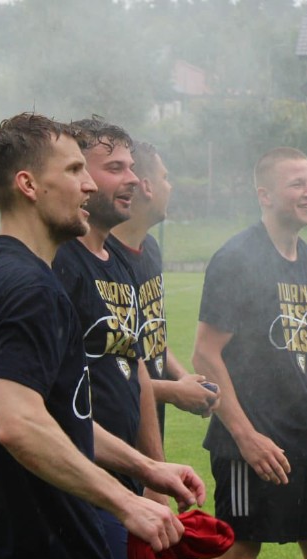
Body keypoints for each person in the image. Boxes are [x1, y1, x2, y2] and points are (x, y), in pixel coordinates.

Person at [0, 112, 205, 559]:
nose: (89, 185)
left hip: (3, 538)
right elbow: (20, 425)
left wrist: (147, 468)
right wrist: (125, 501)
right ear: (28, 185)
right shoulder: (30, 288)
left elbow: (65, 420)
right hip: (35, 549)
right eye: (74, 170)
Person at [193, 147, 307, 559]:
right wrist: (246, 437)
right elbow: (205, 353)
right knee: (238, 556)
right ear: (264, 195)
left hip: (306, 438)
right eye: (297, 184)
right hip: (249, 442)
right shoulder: (237, 258)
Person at [51, 117, 167, 559]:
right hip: (79, 488)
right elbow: (43, 408)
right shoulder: (59, 264)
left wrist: (153, 474)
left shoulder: (119, 261)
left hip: (125, 480)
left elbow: (136, 368)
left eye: (133, 167)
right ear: (80, 176)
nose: (134, 180)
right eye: (116, 168)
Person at [110, 141, 220, 437]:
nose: (170, 187)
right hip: (111, 441)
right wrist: (173, 392)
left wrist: (187, 380)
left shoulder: (150, 249)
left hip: (146, 435)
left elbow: (151, 338)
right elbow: (99, 376)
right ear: (146, 186)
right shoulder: (98, 259)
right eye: (165, 177)